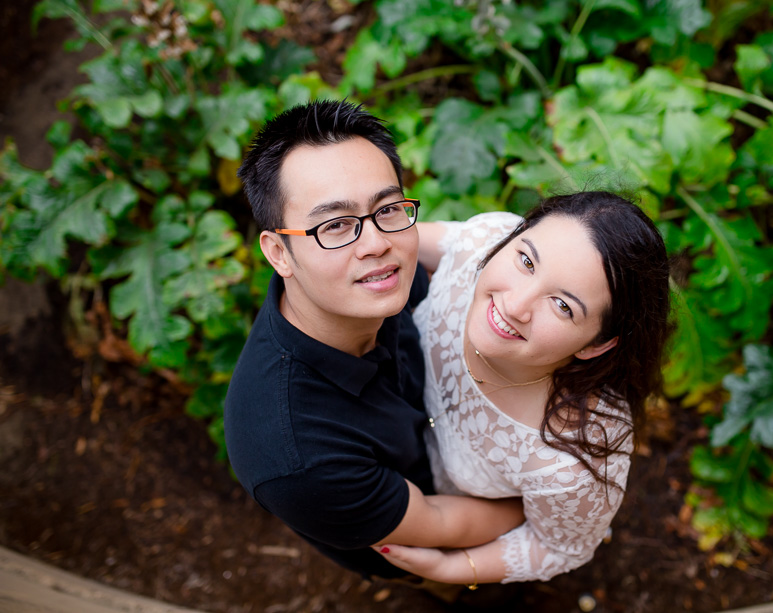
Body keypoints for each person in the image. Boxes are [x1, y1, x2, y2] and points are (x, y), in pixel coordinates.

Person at [223, 100, 523, 581]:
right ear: (279, 252)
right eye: (335, 225)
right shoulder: (297, 454)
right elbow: (437, 522)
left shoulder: (379, 272)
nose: (376, 244)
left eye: (387, 208)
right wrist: (555, 503)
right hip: (421, 536)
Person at [374, 191, 672, 585]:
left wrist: (455, 569)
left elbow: (557, 546)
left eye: (563, 306)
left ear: (596, 344)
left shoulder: (577, 458)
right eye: (527, 261)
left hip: (464, 523)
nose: (516, 305)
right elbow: (387, 242)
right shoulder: (483, 241)